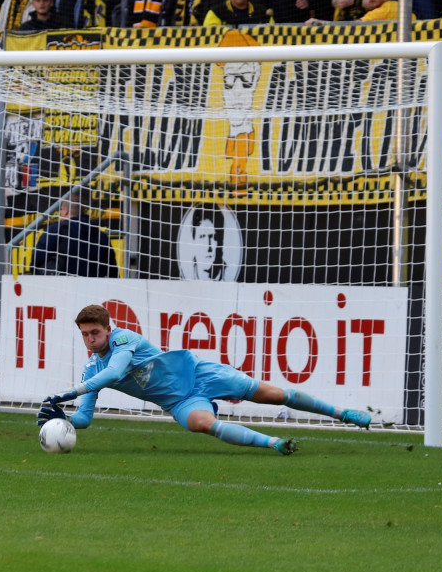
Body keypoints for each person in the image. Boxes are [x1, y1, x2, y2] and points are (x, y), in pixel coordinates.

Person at [37, 304, 372, 455]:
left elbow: (115, 372)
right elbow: (85, 417)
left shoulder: (125, 339)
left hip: (199, 373)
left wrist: (68, 392)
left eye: (95, 332)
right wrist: (65, 418)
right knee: (201, 423)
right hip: (179, 400)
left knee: (273, 395)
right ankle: (274, 443)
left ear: (108, 329)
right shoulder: (90, 371)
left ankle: (343, 414)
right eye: (85, 334)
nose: (91, 339)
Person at [31, 195, 116, 276]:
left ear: (65, 211)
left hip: (61, 284)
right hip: (94, 285)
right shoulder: (102, 237)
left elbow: (36, 261)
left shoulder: (56, 230)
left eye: (61, 210)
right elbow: (113, 271)